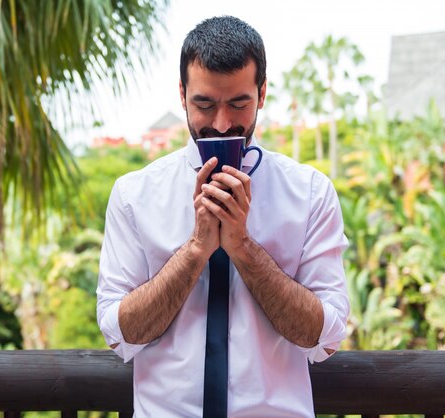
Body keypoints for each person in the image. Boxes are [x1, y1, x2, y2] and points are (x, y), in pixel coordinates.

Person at [96, 15, 349, 418]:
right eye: (204, 104)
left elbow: (327, 337)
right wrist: (197, 249)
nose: (221, 123)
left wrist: (243, 248)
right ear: (182, 95)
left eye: (238, 104)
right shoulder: (134, 194)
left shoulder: (310, 192)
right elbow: (119, 333)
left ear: (262, 93)